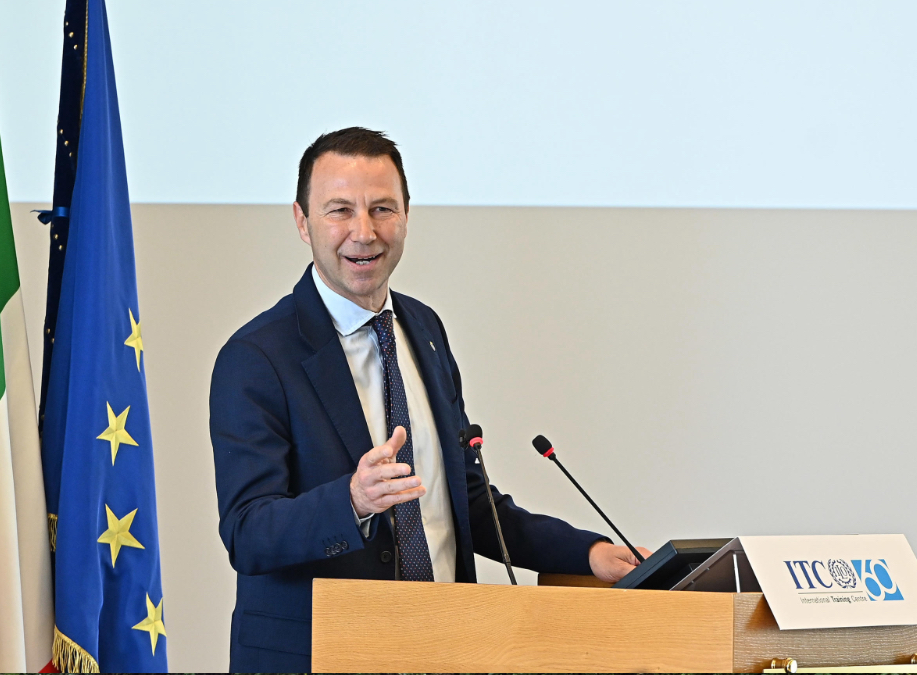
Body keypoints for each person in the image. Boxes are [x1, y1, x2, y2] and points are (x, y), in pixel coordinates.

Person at [209, 127, 650, 671]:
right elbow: (248, 533)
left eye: (382, 209)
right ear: (303, 222)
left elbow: (466, 502)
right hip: (320, 655)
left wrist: (587, 552)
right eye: (340, 210)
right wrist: (352, 500)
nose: (364, 232)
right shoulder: (256, 356)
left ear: (406, 216)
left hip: (443, 645)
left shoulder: (424, 329)